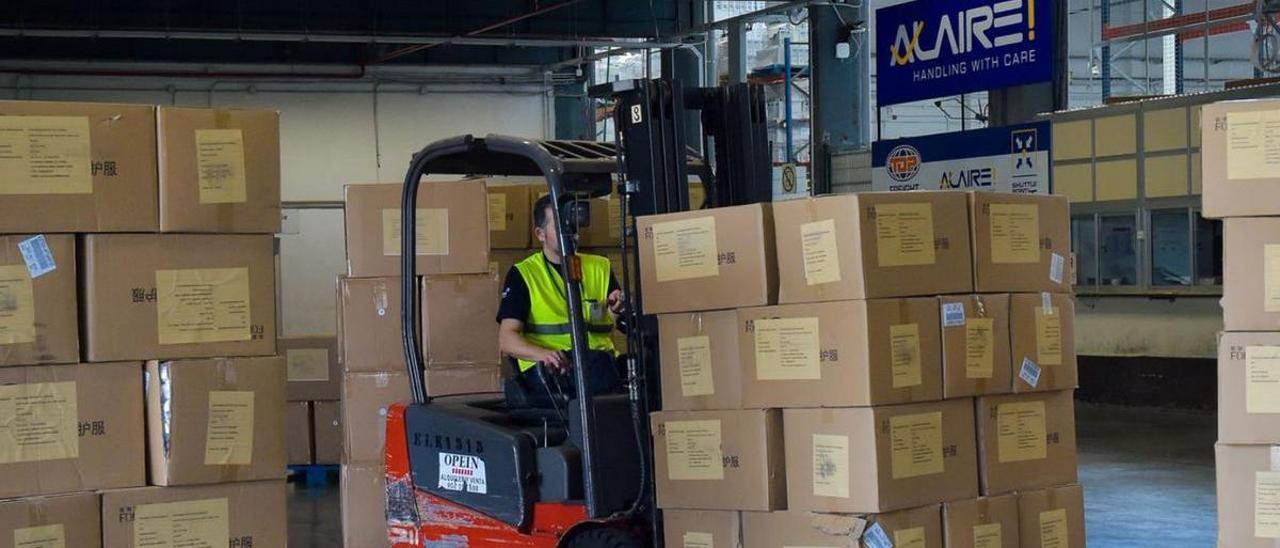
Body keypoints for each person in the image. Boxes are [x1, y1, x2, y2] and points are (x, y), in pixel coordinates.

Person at [496, 194, 625, 404]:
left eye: (572, 226)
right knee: (600, 368)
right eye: (560, 227)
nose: (570, 233)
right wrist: (543, 354)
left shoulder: (600, 267)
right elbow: (507, 340)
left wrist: (618, 309)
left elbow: (614, 319)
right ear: (540, 234)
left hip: (599, 364)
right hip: (553, 368)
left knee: (649, 368)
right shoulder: (525, 274)